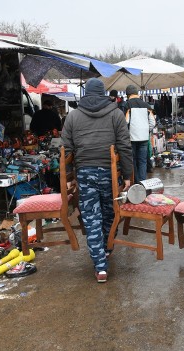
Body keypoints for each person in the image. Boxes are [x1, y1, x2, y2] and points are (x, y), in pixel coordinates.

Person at [61, 78, 132, 284]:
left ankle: (100, 267)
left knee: (91, 217)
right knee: (111, 211)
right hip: (110, 174)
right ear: (103, 93)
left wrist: (67, 178)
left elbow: (66, 150)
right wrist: (127, 176)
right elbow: (125, 146)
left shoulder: (72, 116)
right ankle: (107, 248)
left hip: (84, 172)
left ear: (85, 93)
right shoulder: (116, 114)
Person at [125, 84, 156, 182]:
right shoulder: (146, 105)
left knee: (133, 160)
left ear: (127, 95)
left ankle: (136, 182)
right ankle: (143, 182)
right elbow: (152, 122)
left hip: (132, 138)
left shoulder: (127, 105)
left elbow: (126, 122)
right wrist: (146, 131)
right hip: (144, 137)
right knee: (142, 161)